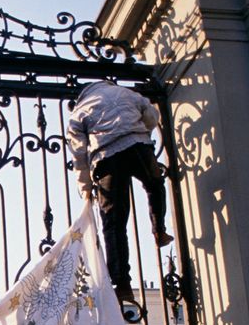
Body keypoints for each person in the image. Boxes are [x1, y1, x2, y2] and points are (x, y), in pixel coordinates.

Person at [66, 80, 173, 304]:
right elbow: (151, 115)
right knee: (154, 184)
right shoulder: (126, 93)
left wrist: (85, 188)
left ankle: (122, 283)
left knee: (113, 222)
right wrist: (141, 131)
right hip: (137, 144)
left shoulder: (79, 112)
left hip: (106, 158)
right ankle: (159, 229)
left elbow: (78, 155)